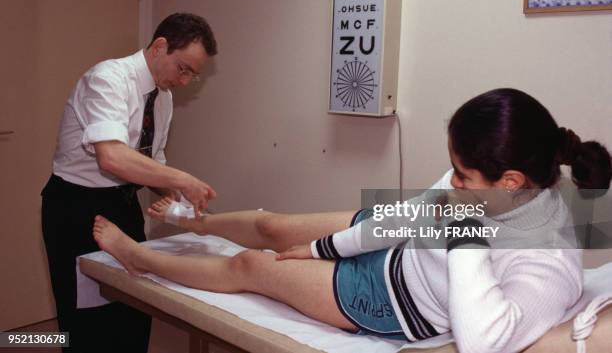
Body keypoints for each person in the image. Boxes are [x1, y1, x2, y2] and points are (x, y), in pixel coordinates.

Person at [93, 88, 612, 353]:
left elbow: (482, 342)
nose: (450, 181)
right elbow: (414, 212)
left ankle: (137, 256)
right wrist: (327, 248)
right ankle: (198, 225)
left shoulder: (550, 262)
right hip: (407, 243)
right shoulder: (483, 178)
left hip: (397, 300)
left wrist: (465, 230)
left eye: (460, 174)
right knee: (274, 228)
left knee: (252, 265)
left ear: (512, 181)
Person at [42, 13, 218, 353]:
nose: (185, 82)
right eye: (183, 69)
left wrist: (179, 203)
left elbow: (151, 163)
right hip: (76, 207)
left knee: (134, 313)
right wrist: (184, 179)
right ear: (160, 46)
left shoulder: (162, 97)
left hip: (122, 205)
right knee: (86, 326)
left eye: (192, 76)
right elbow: (113, 157)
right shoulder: (107, 79)